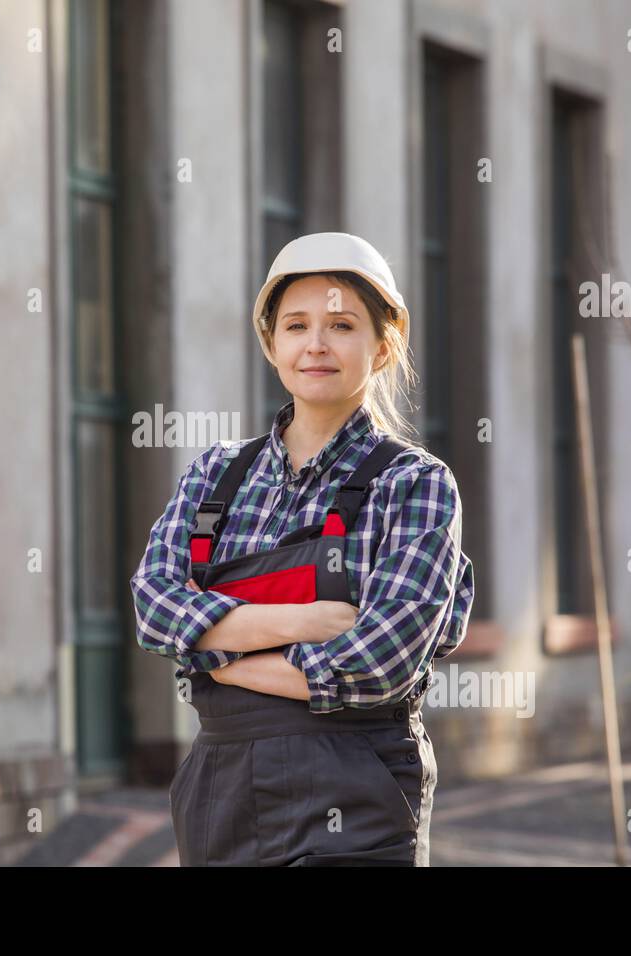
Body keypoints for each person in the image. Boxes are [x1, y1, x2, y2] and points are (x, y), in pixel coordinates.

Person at [130, 231, 474, 866]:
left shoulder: (415, 485)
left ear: (382, 345)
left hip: (357, 789)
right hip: (220, 794)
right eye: (296, 325)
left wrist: (209, 655)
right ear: (272, 344)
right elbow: (154, 606)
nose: (316, 344)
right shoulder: (216, 476)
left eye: (341, 324)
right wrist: (302, 623)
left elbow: (376, 664)